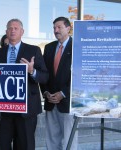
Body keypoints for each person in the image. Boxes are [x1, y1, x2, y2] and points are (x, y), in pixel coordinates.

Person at [0, 18, 48, 150]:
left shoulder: (33, 50)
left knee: (25, 144)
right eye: (10, 28)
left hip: (26, 108)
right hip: (4, 109)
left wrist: (32, 71)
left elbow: (44, 76)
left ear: (22, 31)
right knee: (3, 145)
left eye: (16, 28)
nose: (12, 30)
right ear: (6, 32)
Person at [40, 17, 78, 150]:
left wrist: (63, 93)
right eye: (54, 28)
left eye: (59, 27)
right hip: (50, 102)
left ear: (68, 28)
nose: (56, 30)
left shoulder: (77, 47)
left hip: (67, 103)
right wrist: (45, 92)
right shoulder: (49, 47)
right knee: (51, 140)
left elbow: (79, 76)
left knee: (69, 141)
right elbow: (43, 72)